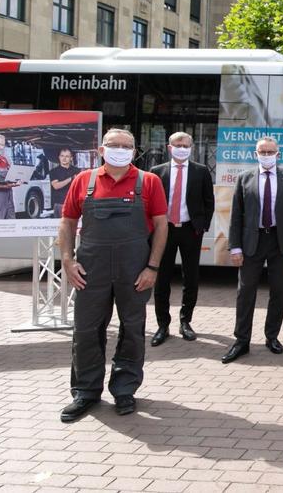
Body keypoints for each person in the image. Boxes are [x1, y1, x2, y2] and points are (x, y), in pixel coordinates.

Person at [57, 128, 168, 422]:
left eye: (126, 145)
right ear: (101, 149)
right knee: (86, 330)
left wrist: (152, 267)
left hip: (134, 270)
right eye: (114, 144)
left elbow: (161, 226)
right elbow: (67, 223)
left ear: (135, 151)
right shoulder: (84, 180)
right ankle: (86, 391)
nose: (120, 149)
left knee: (132, 329)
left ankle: (124, 389)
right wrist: (67, 261)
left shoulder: (150, 182)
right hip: (91, 270)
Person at [223, 136, 283, 363]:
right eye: (262, 151)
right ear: (255, 153)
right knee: (245, 292)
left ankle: (272, 336)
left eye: (270, 151)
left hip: (279, 243)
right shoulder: (244, 178)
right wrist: (235, 247)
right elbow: (236, 215)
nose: (266, 155)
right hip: (251, 242)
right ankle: (241, 341)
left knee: (279, 291)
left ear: (278, 154)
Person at [150, 132, 215, 346]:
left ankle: (186, 321)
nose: (181, 148)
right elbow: (149, 204)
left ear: (191, 147)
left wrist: (202, 227)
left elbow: (208, 201)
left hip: (190, 230)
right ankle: (162, 325)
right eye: (177, 144)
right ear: (169, 147)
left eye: (185, 145)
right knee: (162, 279)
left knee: (191, 278)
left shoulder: (201, 171)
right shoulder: (156, 172)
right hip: (163, 231)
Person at [49, 148, 80, 218]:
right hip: (60, 204)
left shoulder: (77, 171)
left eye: (67, 156)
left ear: (71, 158)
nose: (64, 158)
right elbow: (56, 186)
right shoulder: (54, 171)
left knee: (73, 227)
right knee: (61, 228)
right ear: (59, 157)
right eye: (62, 156)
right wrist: (71, 179)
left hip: (74, 204)